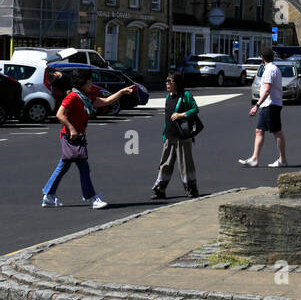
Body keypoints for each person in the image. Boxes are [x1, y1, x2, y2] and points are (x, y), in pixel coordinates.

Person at [41, 68, 137, 208]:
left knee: (63, 167)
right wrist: (72, 128)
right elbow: (60, 114)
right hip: (70, 137)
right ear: (82, 82)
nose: (92, 84)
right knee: (83, 168)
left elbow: (106, 101)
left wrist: (121, 92)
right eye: (90, 81)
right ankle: (92, 198)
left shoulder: (85, 97)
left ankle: (48, 195)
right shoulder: (73, 96)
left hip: (76, 137)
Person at [152, 72, 200, 200]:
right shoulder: (168, 97)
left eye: (169, 81)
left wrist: (181, 115)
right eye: (166, 81)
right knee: (165, 164)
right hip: (169, 136)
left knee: (185, 164)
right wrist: (164, 135)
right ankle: (160, 189)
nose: (167, 83)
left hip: (182, 137)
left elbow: (195, 109)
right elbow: (167, 119)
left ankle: (191, 188)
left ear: (177, 83)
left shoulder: (186, 95)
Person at [238, 46, 287, 168]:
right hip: (268, 105)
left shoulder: (270, 70)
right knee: (259, 130)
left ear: (262, 58)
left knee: (277, 132)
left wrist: (256, 105)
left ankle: (282, 160)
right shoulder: (272, 68)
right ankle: (254, 159)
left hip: (271, 105)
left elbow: (267, 90)